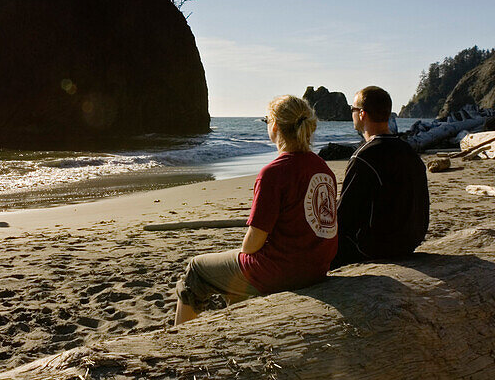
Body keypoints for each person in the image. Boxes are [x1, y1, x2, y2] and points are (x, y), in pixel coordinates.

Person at [174, 95, 338, 325]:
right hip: (316, 267)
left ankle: (177, 340)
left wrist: (244, 250)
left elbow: (252, 244)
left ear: (274, 126)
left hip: (282, 271)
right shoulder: (323, 169)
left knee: (196, 269)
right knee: (234, 281)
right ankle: (243, 324)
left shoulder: (274, 173)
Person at [331, 86, 429, 268]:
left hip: (375, 248)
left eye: (352, 110)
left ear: (362, 114)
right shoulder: (409, 152)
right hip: (409, 242)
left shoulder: (366, 157)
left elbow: (345, 216)